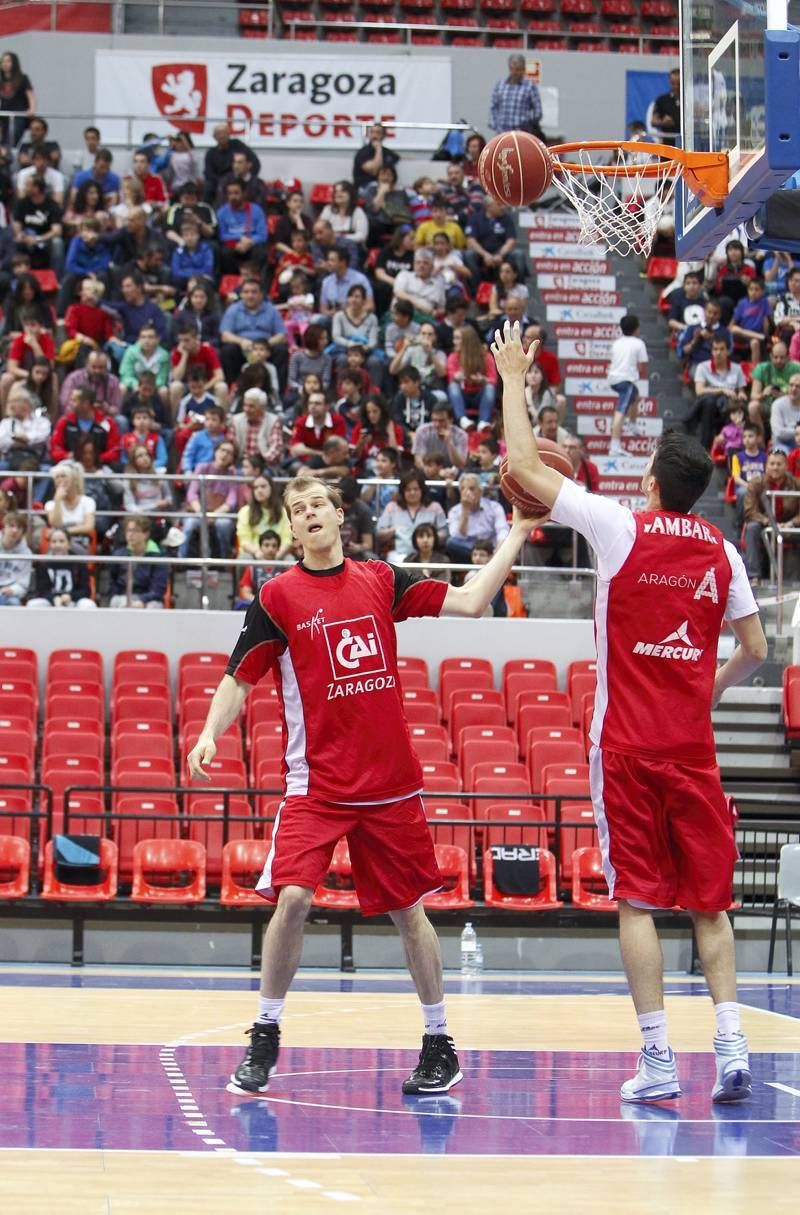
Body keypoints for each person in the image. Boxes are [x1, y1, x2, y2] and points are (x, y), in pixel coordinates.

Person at [186, 472, 536, 1099]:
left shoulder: (382, 578)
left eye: (319, 502)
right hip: (316, 786)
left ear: (339, 513)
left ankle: (439, 1041)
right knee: (292, 899)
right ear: (290, 528)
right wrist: (210, 731)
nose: (310, 513)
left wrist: (518, 530)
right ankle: (265, 1032)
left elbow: (472, 599)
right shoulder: (277, 597)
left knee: (410, 913)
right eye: (298, 509)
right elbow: (238, 679)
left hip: (391, 787)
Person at [493, 318, 767, 1106]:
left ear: (651, 482)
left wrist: (515, 377)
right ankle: (731, 1043)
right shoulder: (722, 551)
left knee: (638, 900)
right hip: (691, 749)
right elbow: (751, 647)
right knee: (709, 902)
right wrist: (702, 690)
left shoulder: (621, 529)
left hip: (626, 749)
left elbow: (521, 466)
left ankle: (658, 1059)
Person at [742, 449, 800, 584]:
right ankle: (754, 576)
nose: (775, 467)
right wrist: (769, 522)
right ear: (766, 466)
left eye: (779, 464)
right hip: (765, 525)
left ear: (786, 466)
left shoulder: (796, 484)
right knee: (752, 528)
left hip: (789, 526)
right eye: (772, 464)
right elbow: (750, 511)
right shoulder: (755, 483)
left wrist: (791, 523)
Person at [219, 278, 288, 389]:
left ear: (261, 294)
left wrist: (264, 344)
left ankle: (278, 392)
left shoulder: (271, 310)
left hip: (266, 349)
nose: (250, 296)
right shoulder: (233, 309)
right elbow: (225, 335)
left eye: (254, 292)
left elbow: (282, 336)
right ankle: (232, 388)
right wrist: (241, 341)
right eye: (246, 292)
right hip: (242, 349)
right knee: (228, 350)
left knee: (282, 351)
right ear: (241, 294)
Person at [180, 439, 239, 558]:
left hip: (218, 514)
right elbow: (191, 494)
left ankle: (224, 562)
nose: (225, 454)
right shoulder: (202, 468)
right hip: (198, 511)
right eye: (222, 450)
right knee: (190, 524)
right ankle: (181, 561)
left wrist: (213, 515)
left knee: (224, 525)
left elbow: (231, 501)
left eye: (229, 453)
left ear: (233, 458)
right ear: (215, 452)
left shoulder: (231, 475)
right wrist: (202, 514)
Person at [689, 337, 748, 452]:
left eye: (722, 349)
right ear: (711, 351)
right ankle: (706, 447)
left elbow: (741, 391)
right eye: (715, 349)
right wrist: (722, 390)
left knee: (714, 403)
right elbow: (699, 391)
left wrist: (741, 394)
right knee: (708, 402)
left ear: (728, 351)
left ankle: (691, 421)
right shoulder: (702, 367)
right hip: (709, 403)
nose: (718, 352)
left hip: (729, 403)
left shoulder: (737, 368)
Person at [607, 315, 648, 457]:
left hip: (613, 379)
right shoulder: (639, 343)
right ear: (637, 329)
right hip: (626, 380)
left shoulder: (617, 343)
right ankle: (615, 446)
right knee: (620, 412)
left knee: (636, 395)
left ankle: (632, 424)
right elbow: (642, 367)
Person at [445, 473, 509, 562]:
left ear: (480, 491)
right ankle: (481, 557)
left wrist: (496, 552)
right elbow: (457, 536)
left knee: (505, 543)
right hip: (468, 549)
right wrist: (465, 511)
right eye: (463, 489)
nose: (467, 493)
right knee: (451, 543)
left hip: (490, 547)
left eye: (471, 489)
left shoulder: (494, 507)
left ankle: (487, 557)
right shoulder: (454, 511)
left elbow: (503, 532)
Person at [27, 526, 96, 609]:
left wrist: (70, 596)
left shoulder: (79, 562)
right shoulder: (43, 564)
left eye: (61, 541)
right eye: (54, 541)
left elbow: (85, 590)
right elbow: (42, 590)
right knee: (33, 604)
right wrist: (54, 599)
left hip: (73, 601)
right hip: (51, 602)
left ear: (69, 544)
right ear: (50, 544)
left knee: (88, 605)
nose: (57, 545)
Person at [109, 515, 169, 608]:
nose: (130, 534)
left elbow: (158, 591)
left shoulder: (158, 558)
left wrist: (142, 600)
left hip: (149, 598)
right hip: (122, 596)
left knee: (153, 607)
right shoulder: (118, 555)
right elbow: (113, 583)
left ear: (146, 534)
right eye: (128, 530)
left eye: (135, 531)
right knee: (121, 603)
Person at [447, 325, 498, 431]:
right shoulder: (453, 357)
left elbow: (493, 380)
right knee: (452, 386)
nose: (454, 342)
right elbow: (451, 376)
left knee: (490, 387)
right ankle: (462, 419)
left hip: (480, 395)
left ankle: (483, 422)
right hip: (463, 395)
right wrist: (458, 376)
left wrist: (482, 379)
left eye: (457, 338)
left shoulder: (486, 356)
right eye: (454, 338)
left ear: (467, 340)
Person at [488, 53, 544, 141]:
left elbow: (538, 111)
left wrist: (527, 123)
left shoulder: (530, 86)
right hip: (501, 134)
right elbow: (493, 108)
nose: (514, 72)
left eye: (518, 69)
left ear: (523, 70)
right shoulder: (500, 85)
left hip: (522, 135)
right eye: (512, 69)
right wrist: (495, 126)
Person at [44, 459, 96, 551]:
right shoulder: (51, 504)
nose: (60, 480)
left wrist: (65, 531)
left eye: (63, 476)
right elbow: (56, 524)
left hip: (79, 541)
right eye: (57, 477)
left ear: (74, 479)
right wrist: (58, 501)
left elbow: (89, 527)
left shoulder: (88, 501)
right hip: (57, 543)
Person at [236, 473, 292, 559]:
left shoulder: (283, 511)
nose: (259, 490)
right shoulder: (245, 512)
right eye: (256, 488)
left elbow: (287, 539)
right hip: (254, 553)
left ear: (271, 489)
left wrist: (279, 553)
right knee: (244, 558)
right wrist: (257, 552)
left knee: (289, 560)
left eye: (263, 486)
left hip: (277, 552)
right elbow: (245, 541)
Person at [203, 122, 260, 204]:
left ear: (229, 134)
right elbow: (208, 173)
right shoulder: (211, 153)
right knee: (208, 187)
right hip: (219, 182)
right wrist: (223, 182)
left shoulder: (238, 145)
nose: (222, 136)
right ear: (214, 137)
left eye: (224, 133)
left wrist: (247, 177)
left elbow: (254, 162)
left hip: (240, 179)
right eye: (219, 134)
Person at [0, 384, 50, 471]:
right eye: (10, 401)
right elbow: (1, 442)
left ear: (25, 403)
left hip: (36, 460)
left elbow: (43, 437)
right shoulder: (6, 423)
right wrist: (16, 441)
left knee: (48, 471)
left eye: (14, 401)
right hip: (11, 460)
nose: (10, 405)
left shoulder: (41, 421)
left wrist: (25, 438)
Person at [413, 400, 468, 472]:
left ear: (450, 420)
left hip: (452, 473)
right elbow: (418, 460)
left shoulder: (461, 435)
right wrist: (432, 471)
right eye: (434, 420)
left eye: (441, 421)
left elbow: (461, 464)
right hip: (427, 472)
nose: (437, 424)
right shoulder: (422, 431)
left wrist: (450, 443)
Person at [0, 52, 35, 148]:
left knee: (11, 139)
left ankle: (5, 154)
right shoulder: (1, 79)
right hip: (3, 114)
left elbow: (30, 95)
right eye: (3, 61)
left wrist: (32, 109)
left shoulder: (22, 78)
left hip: (19, 114)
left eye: (8, 61)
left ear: (14, 63)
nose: (5, 64)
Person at [353, 121, 400, 191]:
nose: (374, 135)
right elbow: (374, 170)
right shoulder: (362, 152)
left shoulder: (387, 152)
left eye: (378, 133)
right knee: (376, 187)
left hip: (385, 185)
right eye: (372, 132)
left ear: (384, 135)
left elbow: (397, 158)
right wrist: (378, 149)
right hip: (365, 186)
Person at [769, 373, 800, 453]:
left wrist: (790, 430)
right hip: (781, 445)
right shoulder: (777, 404)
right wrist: (797, 431)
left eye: (798, 386)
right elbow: (778, 433)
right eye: (791, 385)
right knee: (782, 453)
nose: (793, 389)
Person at [650, 68, 681, 145]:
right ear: (669, 82)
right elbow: (653, 121)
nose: (676, 86)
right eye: (673, 83)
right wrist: (663, 122)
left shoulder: (689, 100)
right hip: (668, 144)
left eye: (679, 83)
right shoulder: (662, 100)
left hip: (687, 145)